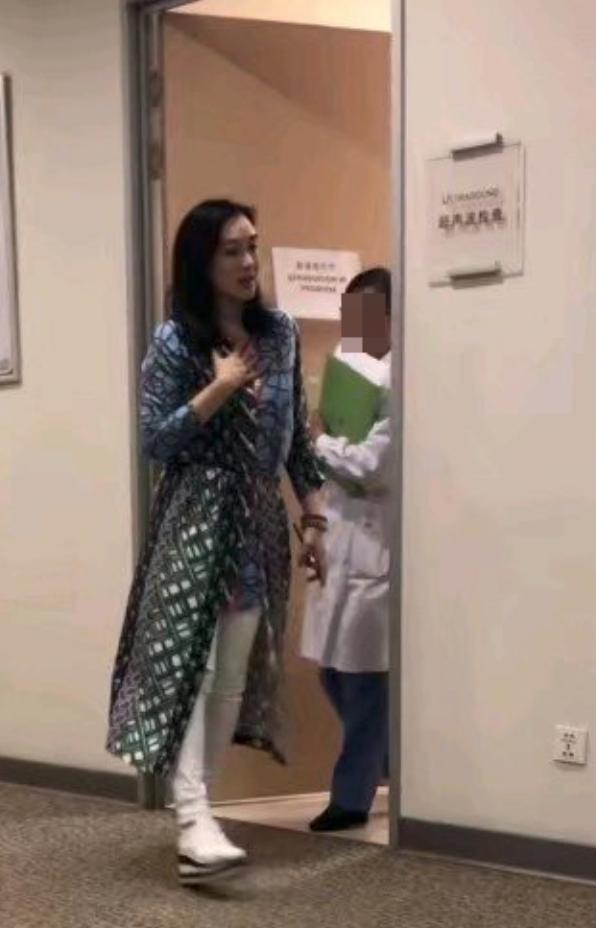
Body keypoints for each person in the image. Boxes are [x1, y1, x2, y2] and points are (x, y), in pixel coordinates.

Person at [107, 199, 327, 885]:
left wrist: (315, 518)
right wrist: (219, 389)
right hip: (197, 514)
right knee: (191, 667)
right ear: (201, 261)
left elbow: (295, 439)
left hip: (257, 520)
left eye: (252, 246)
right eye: (232, 250)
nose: (248, 263)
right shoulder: (177, 341)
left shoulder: (280, 334)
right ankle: (192, 817)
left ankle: (200, 813)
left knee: (231, 672)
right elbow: (155, 439)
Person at [301, 266, 391, 832]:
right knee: (332, 673)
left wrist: (319, 441)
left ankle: (351, 797)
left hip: (376, 539)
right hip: (339, 533)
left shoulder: (400, 381)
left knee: (364, 682)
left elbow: (372, 465)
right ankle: (397, 764)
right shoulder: (347, 368)